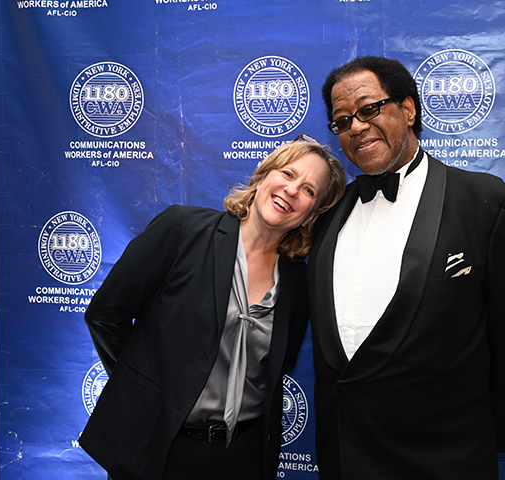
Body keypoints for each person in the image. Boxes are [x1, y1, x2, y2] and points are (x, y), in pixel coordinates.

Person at [308, 56, 505, 479]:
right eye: (342, 121)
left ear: (408, 109)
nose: (356, 127)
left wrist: (483, 433)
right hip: (343, 457)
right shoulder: (327, 212)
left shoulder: (487, 203)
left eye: (369, 109)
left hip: (446, 458)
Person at [79, 138, 345, 480]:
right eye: (287, 173)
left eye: (309, 190)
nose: (292, 190)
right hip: (156, 446)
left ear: (312, 213)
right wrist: (148, 387)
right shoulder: (182, 230)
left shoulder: (298, 281)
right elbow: (105, 315)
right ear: (263, 176)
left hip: (243, 456)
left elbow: (281, 364)